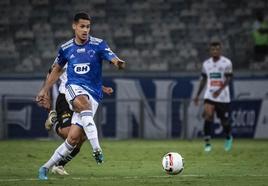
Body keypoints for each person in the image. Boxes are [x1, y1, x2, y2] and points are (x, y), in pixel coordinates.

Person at [36, 12, 125, 180]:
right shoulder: (66, 48)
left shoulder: (98, 44)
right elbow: (54, 70)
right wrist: (44, 90)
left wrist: (117, 63)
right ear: (74, 26)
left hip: (93, 94)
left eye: (88, 27)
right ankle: (97, 149)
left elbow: (112, 57)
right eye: (82, 26)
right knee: (84, 105)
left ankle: (45, 167)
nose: (85, 30)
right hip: (71, 89)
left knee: (73, 139)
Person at [41, 64, 114, 176]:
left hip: (81, 97)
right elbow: (51, 74)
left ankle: (59, 165)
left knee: (81, 138)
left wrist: (103, 88)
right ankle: (55, 120)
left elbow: (87, 79)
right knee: (68, 134)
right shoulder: (66, 55)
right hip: (65, 98)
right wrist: (45, 93)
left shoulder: (86, 57)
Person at [194, 41, 233, 152]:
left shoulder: (227, 62)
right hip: (210, 94)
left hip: (223, 97)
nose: (215, 51)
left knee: (224, 121)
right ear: (210, 51)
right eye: (213, 49)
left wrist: (220, 90)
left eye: (217, 49)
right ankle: (207, 143)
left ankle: (229, 136)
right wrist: (197, 95)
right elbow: (203, 80)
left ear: (220, 50)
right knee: (208, 115)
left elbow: (228, 79)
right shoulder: (206, 64)